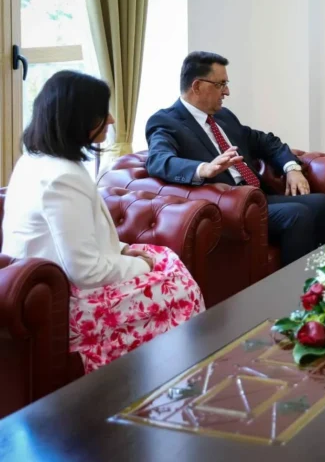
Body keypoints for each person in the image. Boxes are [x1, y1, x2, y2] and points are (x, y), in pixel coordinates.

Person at [2, 71, 204, 373]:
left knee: (166, 259)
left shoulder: (34, 160)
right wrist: (142, 266)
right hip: (68, 301)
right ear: (79, 119)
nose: (111, 119)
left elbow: (75, 237)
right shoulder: (62, 177)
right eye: (102, 113)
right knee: (177, 283)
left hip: (49, 286)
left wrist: (123, 250)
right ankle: (177, 374)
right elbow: (86, 272)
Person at [145, 51, 325, 265]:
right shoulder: (166, 121)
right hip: (227, 206)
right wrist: (204, 168)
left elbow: (266, 141)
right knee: (297, 214)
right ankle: (296, 284)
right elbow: (158, 160)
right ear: (197, 86)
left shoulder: (223, 116)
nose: (227, 91)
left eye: (226, 84)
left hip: (256, 197)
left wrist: (292, 168)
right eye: (220, 84)